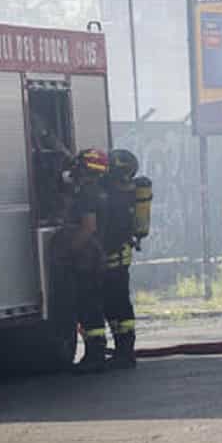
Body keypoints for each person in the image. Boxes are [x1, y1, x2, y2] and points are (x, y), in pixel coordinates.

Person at [100, 148, 149, 369]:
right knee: (117, 304)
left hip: (112, 258)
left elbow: (112, 230)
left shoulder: (113, 194)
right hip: (120, 257)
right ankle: (124, 349)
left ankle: (125, 351)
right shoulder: (128, 191)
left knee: (116, 304)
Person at [66, 148, 112, 373]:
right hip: (98, 256)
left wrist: (69, 251)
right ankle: (96, 352)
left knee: (88, 306)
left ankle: (95, 355)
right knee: (93, 304)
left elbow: (88, 227)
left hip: (87, 258)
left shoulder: (86, 194)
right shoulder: (101, 191)